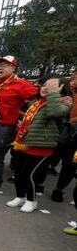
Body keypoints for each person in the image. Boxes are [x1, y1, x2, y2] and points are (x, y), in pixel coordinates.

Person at [5, 75, 70, 213]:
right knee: (19, 172)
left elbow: (54, 112)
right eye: (45, 85)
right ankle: (20, 197)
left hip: (42, 147)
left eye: (52, 86)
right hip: (24, 143)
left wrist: (53, 95)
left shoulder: (64, 103)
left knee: (29, 175)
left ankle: (31, 200)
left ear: (62, 89)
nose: (46, 88)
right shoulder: (37, 102)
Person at [0, 56, 38, 195]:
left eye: (4, 65)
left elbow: (38, 96)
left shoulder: (21, 84)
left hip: (4, 127)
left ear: (13, 68)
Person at [51, 72, 77, 202]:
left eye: (75, 78)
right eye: (72, 78)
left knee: (71, 163)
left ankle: (59, 189)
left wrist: (72, 121)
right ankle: (57, 187)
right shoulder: (69, 93)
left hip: (72, 132)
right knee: (63, 158)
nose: (73, 80)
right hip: (66, 131)